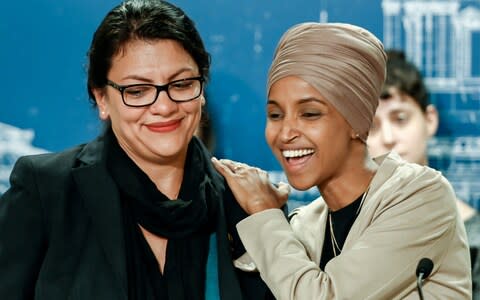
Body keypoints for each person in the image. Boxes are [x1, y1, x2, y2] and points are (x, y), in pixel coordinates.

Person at [0, 1, 270, 299]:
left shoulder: (246, 203)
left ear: (201, 89)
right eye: (137, 91)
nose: (164, 107)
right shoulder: (47, 190)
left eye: (180, 84)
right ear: (102, 98)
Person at [212, 22, 472, 299]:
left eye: (310, 114)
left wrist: (264, 212)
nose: (285, 133)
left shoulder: (422, 196)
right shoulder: (305, 224)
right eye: (275, 115)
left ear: (357, 121)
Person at [367, 49, 480, 299]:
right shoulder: (345, 233)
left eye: (400, 119)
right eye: (372, 127)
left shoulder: (475, 238)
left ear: (429, 120)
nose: (388, 138)